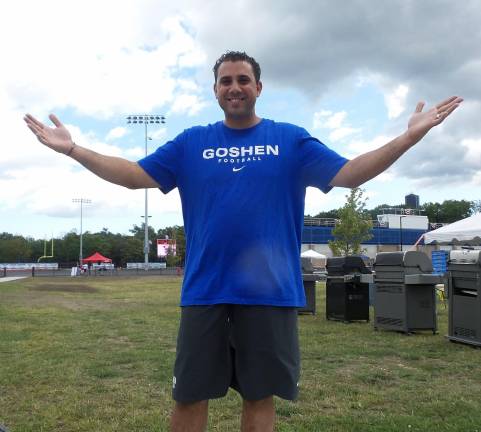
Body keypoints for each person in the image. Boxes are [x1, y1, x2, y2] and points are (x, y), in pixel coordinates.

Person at [24, 51, 462, 432]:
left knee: (259, 395)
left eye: (243, 80)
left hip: (269, 293)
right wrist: (74, 150)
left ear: (259, 87)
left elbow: (350, 174)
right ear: (215, 90)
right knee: (190, 395)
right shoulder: (191, 143)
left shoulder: (289, 139)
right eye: (226, 81)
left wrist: (408, 138)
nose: (234, 87)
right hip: (205, 291)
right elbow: (132, 176)